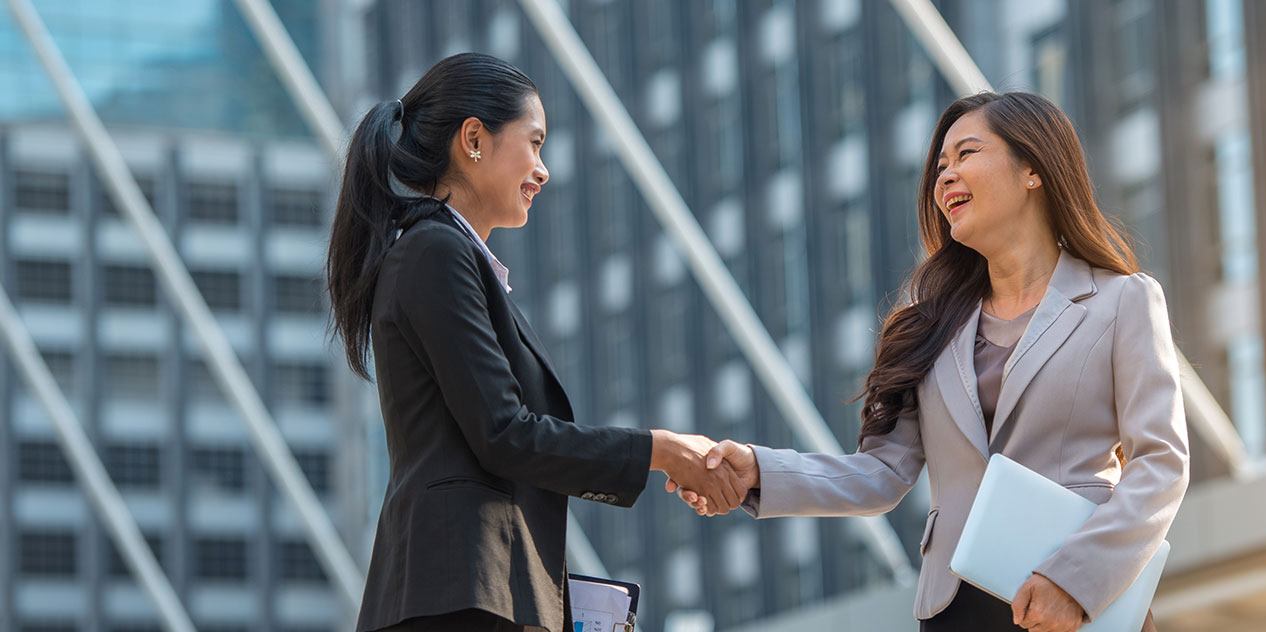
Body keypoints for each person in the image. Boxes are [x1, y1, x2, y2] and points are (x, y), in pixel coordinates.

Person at [672, 92, 1189, 632]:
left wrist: (1077, 580)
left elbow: (1161, 462)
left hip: (1075, 603)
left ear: (1033, 169)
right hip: (956, 609)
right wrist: (759, 470)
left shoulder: (1122, 301)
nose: (944, 178)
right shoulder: (930, 326)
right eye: (940, 166)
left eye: (966, 155)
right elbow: (879, 475)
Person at [325, 53, 746, 632]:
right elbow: (504, 433)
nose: (543, 170)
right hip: (461, 594)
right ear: (473, 139)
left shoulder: (446, 256)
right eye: (535, 142)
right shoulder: (435, 251)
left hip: (474, 592)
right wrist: (661, 451)